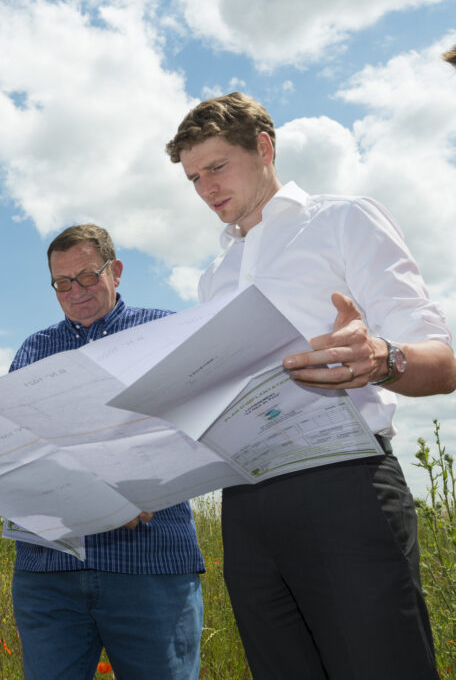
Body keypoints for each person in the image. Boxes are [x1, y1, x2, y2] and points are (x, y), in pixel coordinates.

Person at [166, 92, 456, 679]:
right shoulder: (214, 277)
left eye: (217, 167)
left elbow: (444, 361)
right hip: (245, 502)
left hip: (344, 486)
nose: (206, 189)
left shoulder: (344, 219)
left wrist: (383, 357)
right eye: (194, 178)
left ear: (264, 148)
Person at [7, 224, 205, 680]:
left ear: (115, 271)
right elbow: (16, 446)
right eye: (62, 283)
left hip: (149, 565)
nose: (75, 292)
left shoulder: (165, 332)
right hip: (49, 571)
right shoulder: (34, 350)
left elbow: (201, 428)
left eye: (87, 276)